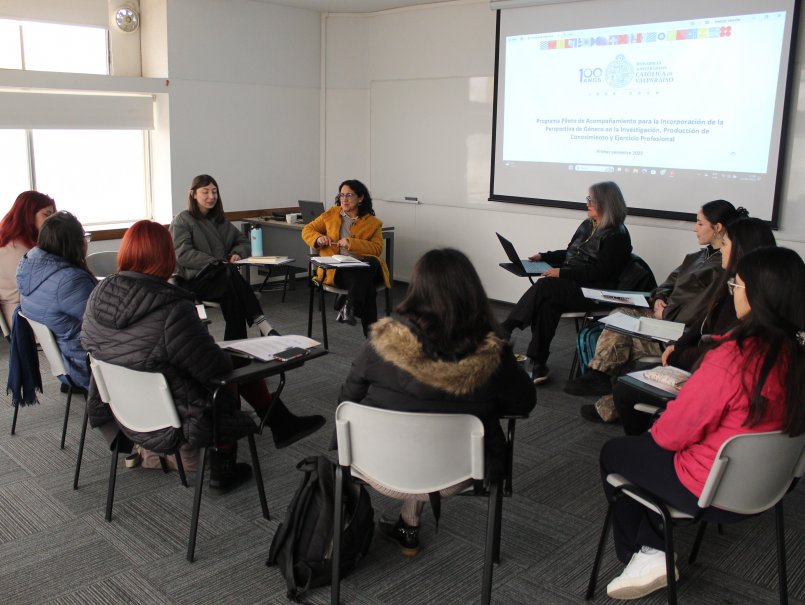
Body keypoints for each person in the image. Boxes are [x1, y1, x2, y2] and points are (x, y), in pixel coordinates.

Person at [598, 246, 805, 601]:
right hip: (772, 486)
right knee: (648, 451)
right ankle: (650, 545)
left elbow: (669, 436)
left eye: (736, 285)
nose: (733, 291)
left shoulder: (734, 358)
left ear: (758, 295)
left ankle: (647, 553)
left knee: (616, 453)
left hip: (711, 489)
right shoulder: (796, 356)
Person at [81, 221, 323, 490]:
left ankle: (280, 422)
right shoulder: (172, 308)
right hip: (176, 417)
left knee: (224, 358)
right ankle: (224, 465)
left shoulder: (98, 295)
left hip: (124, 410)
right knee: (231, 369)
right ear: (167, 256)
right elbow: (214, 368)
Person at [340, 248, 536, 556]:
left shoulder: (379, 342)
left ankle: (408, 524)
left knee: (413, 421)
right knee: (432, 427)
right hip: (457, 474)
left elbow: (347, 399)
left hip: (375, 467)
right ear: (472, 292)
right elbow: (523, 404)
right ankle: (410, 523)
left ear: (416, 288)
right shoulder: (494, 354)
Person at [572, 200, 745, 422]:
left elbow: (702, 309)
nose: (694, 228)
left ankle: (602, 382)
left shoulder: (723, 268)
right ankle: (606, 393)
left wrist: (667, 313)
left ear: (718, 228)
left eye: (700, 224)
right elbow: (665, 285)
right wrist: (659, 299)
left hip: (680, 329)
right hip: (665, 318)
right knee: (619, 316)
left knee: (620, 336)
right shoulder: (695, 258)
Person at [612, 217, 777, 435]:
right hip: (696, 356)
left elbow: (716, 354)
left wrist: (677, 355)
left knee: (626, 388)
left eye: (725, 244)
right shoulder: (727, 282)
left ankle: (641, 436)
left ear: (741, 250)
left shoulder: (743, 301)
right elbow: (703, 322)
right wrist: (678, 345)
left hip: (702, 369)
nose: (721, 249)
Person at [501, 181, 632, 384]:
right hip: (574, 285)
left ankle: (507, 327)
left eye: (592, 200)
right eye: (588, 199)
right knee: (547, 304)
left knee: (545, 286)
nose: (587, 203)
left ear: (606, 203)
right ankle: (538, 363)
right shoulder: (588, 224)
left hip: (595, 292)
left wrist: (562, 272)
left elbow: (600, 273)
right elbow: (571, 253)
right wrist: (544, 256)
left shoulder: (618, 236)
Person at [171, 174, 276, 341]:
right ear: (193, 194)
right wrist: (216, 262)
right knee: (230, 276)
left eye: (214, 192)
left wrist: (236, 253)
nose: (211, 196)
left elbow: (243, 241)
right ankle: (262, 324)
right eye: (205, 192)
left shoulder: (220, 221)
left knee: (233, 293)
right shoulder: (182, 220)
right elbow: (182, 254)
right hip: (194, 281)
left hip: (222, 280)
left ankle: (237, 347)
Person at [17, 211, 96, 390]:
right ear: (73, 243)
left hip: (64, 360)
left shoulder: (29, 267)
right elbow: (104, 322)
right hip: (83, 365)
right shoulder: (69, 280)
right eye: (84, 237)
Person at [301, 179, 390, 336]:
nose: (344, 199)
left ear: (360, 198)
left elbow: (377, 249)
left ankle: (349, 303)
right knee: (368, 288)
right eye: (342, 195)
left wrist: (351, 243)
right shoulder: (331, 214)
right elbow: (307, 230)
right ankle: (370, 334)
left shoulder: (373, 223)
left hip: (362, 267)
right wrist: (318, 238)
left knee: (372, 262)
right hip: (337, 270)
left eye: (349, 195)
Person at [0, 191, 56, 328]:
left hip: (18, 317)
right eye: (47, 215)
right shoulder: (23, 252)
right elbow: (49, 292)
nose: (52, 221)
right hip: (29, 322)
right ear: (28, 215)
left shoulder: (9, 242)